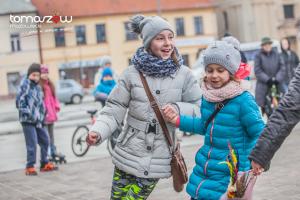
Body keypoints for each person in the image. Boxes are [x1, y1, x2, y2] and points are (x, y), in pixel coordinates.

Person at [86, 14, 201, 199]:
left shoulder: (184, 74)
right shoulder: (131, 73)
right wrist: (98, 131)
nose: (167, 43)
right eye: (160, 38)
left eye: (170, 37)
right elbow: (114, 108)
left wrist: (178, 109)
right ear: (148, 42)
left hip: (160, 153)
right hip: (128, 150)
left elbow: (199, 107)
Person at [163, 41, 265, 200]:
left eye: (220, 70)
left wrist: (258, 160)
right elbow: (204, 125)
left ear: (230, 73)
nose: (214, 75)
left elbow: (260, 133)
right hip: (207, 166)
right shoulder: (208, 97)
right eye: (209, 70)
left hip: (231, 171)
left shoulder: (244, 100)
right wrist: (177, 120)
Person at [249, 63, 300, 175]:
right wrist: (260, 154)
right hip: (267, 87)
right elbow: (288, 111)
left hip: (277, 85)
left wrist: (278, 78)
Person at [16, 63, 58, 176]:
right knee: (32, 143)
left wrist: (43, 114)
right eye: (33, 75)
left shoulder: (38, 87)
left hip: (39, 120)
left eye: (37, 75)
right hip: (27, 121)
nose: (35, 77)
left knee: (45, 140)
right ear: (29, 74)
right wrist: (29, 114)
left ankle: (44, 163)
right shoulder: (25, 85)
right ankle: (29, 166)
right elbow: (19, 103)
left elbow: (40, 103)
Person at [39, 65, 65, 163]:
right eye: (43, 73)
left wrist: (56, 106)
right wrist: (43, 112)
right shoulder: (40, 86)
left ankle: (53, 152)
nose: (45, 75)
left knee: (51, 136)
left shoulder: (50, 85)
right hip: (45, 115)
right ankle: (46, 154)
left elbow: (54, 98)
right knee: (45, 137)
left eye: (46, 73)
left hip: (51, 114)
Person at [254, 37, 286, 116]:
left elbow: (282, 68)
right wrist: (268, 80)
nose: (267, 46)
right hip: (264, 86)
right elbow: (257, 70)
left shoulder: (277, 54)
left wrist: (277, 79)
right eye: (265, 45)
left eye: (269, 44)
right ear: (262, 46)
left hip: (277, 84)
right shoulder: (258, 56)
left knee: (282, 107)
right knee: (269, 110)